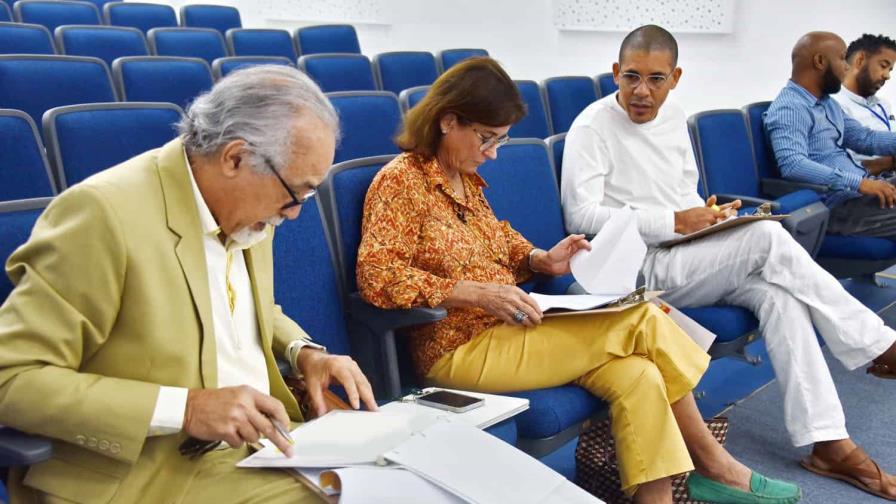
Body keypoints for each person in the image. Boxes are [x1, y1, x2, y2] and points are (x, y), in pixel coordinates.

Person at [356, 56, 800, 504]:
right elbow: (376, 275)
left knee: (640, 373)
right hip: (458, 348)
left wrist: (540, 259)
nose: (492, 153)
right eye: (487, 138)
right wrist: (472, 293)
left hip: (512, 329)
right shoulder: (399, 184)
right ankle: (714, 464)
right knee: (640, 319)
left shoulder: (464, 178)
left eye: (500, 141)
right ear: (449, 121)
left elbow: (500, 243)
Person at [0, 65, 378, 503]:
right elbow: (12, 377)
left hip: (261, 448)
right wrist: (187, 408)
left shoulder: (253, 204)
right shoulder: (103, 215)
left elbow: (246, 307)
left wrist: (304, 352)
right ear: (235, 158)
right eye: (296, 194)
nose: (294, 214)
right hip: (150, 469)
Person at [561, 25, 896, 501]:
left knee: (777, 294)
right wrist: (676, 220)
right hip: (635, 269)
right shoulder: (591, 127)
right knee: (766, 236)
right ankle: (878, 344)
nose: (641, 90)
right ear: (615, 72)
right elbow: (583, 216)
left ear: (675, 78)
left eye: (656, 79)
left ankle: (829, 442)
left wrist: (708, 216)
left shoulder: (673, 116)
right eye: (631, 76)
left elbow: (681, 196)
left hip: (684, 254)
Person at [766, 32, 896, 240]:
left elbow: (865, 139)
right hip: (837, 205)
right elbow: (792, 164)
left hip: (859, 194)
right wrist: (859, 183)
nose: (847, 66)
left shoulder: (828, 104)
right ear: (819, 61)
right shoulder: (790, 107)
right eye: (843, 58)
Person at [832, 34, 896, 175]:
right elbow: (839, 169)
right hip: (864, 186)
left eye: (890, 69)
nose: (887, 75)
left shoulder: (883, 104)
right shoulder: (834, 105)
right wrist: (890, 163)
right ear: (860, 60)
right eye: (883, 66)